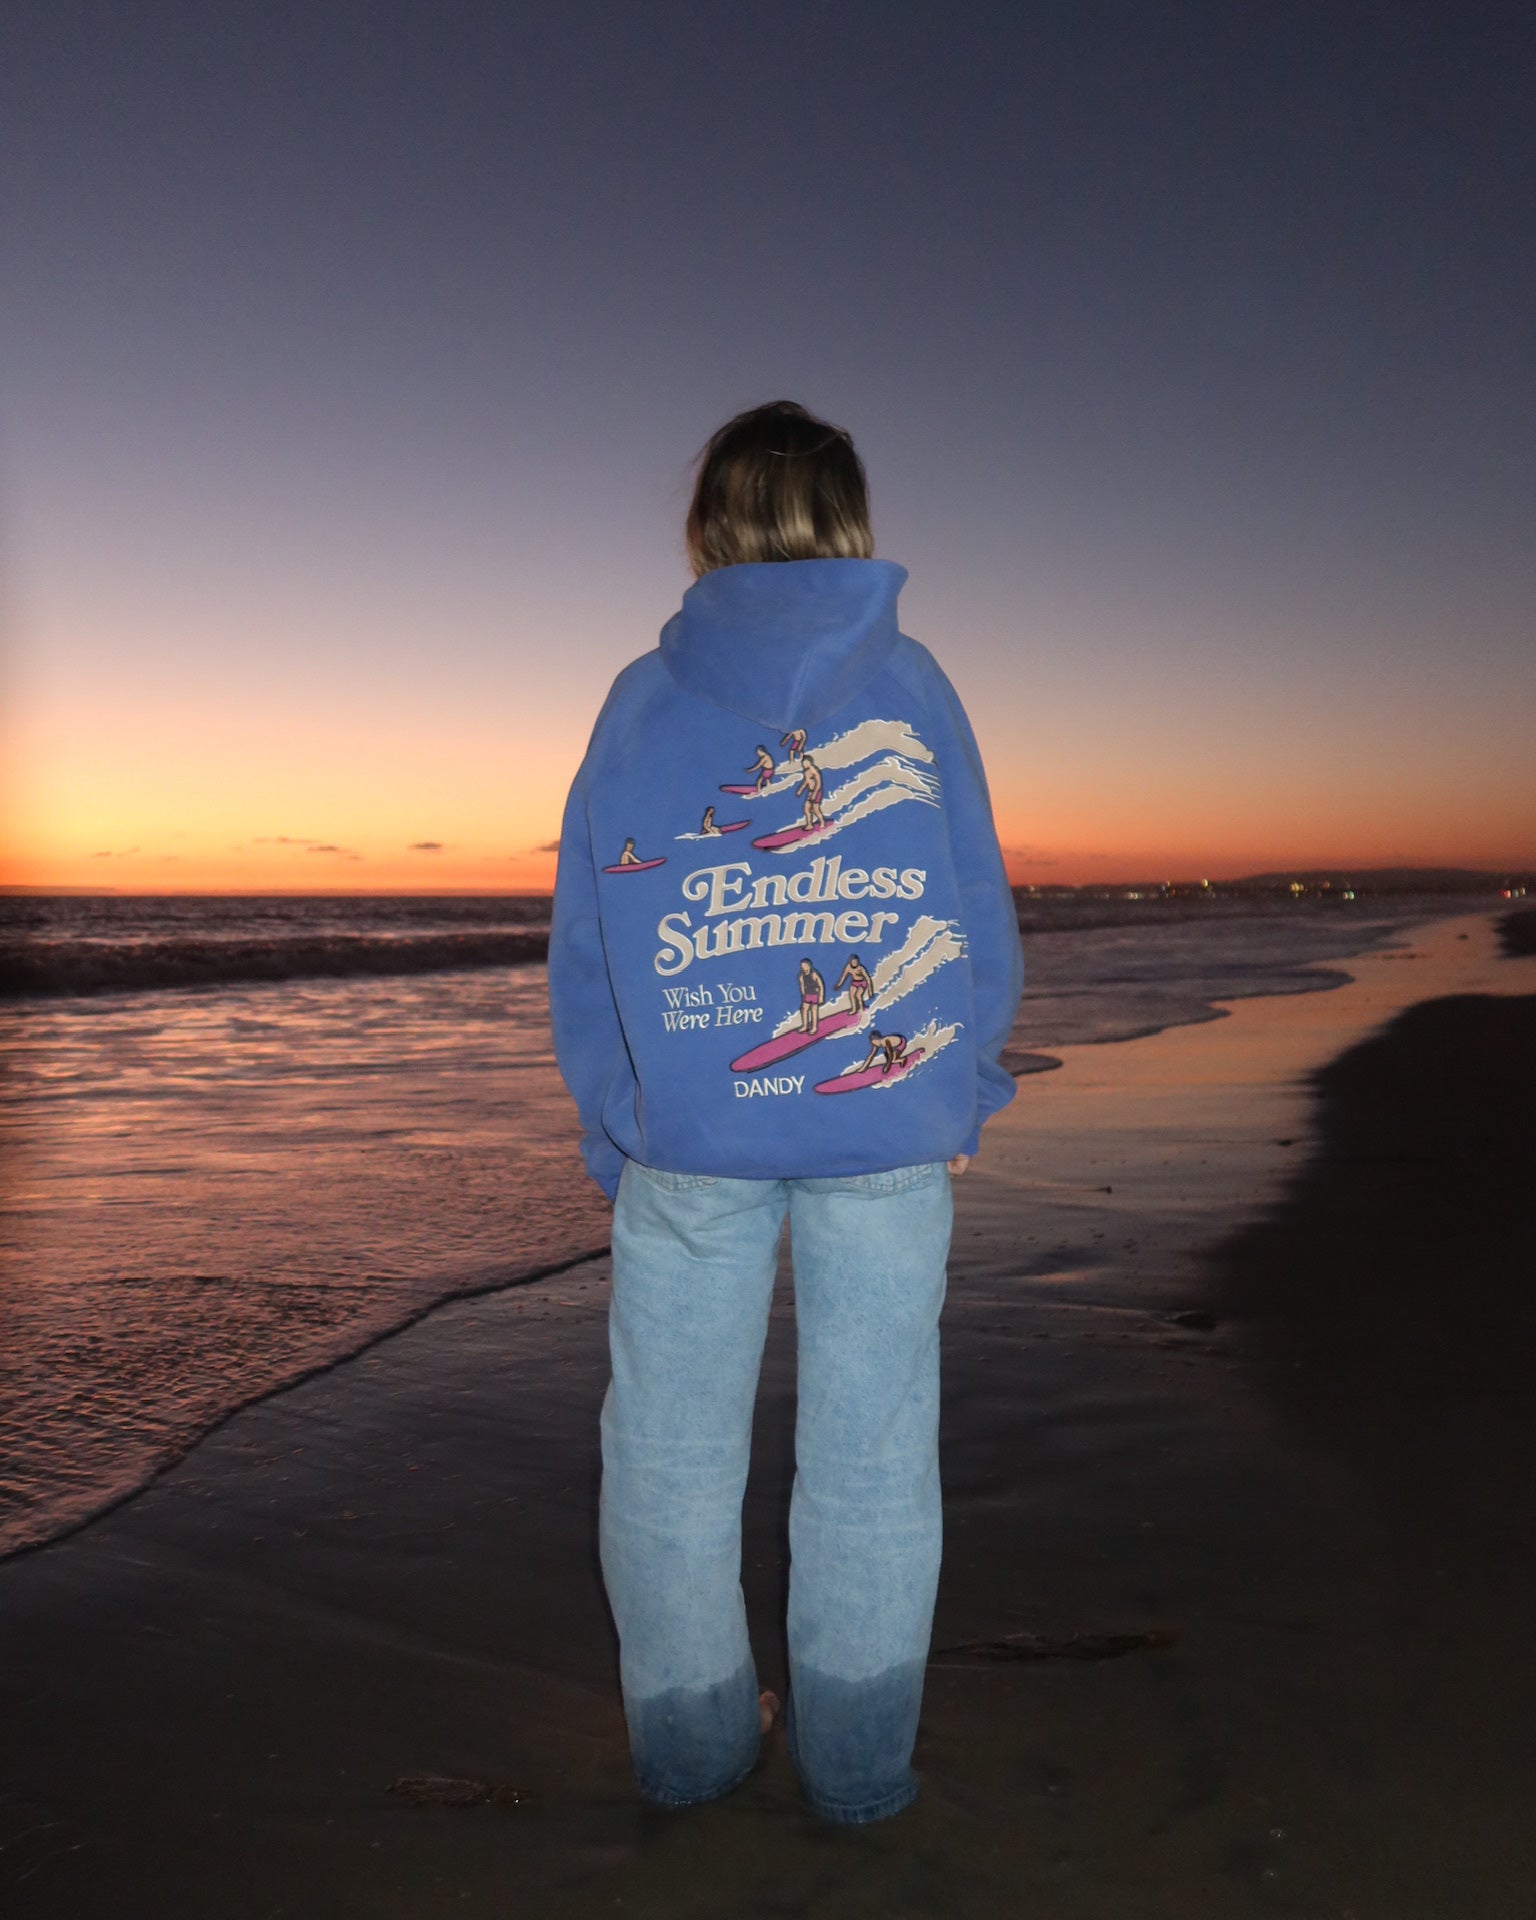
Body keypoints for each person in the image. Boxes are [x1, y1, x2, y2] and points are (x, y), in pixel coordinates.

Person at [549, 398, 1024, 1827]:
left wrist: (616, 1119)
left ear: (709, 524)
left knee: (668, 1457)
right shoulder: (915, 685)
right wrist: (965, 1081)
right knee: (873, 1455)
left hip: (694, 1136)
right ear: (850, 519)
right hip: (884, 1127)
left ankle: (693, 1752)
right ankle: (858, 1769)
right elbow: (970, 897)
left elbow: (589, 937)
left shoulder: (641, 699)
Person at [797, 955, 825, 1036]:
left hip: (815, 994)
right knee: (804, 1009)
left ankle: (814, 1027)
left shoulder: (814, 974)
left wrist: (821, 997)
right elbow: (802, 986)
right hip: (807, 995)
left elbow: (821, 986)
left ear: (809, 966)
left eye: (805, 966)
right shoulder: (801, 976)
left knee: (814, 1010)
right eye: (802, 966)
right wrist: (803, 996)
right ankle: (805, 1026)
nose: (804, 968)